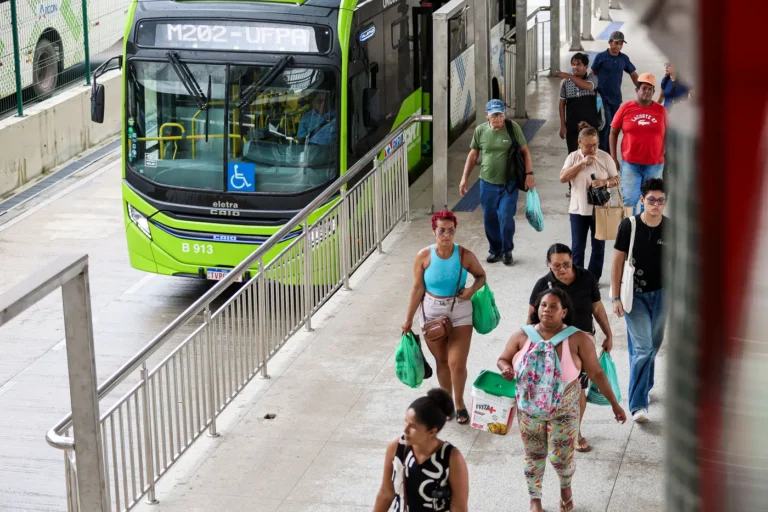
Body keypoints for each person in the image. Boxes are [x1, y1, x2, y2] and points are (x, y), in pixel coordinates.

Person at [499, 288, 626, 512]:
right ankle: (534, 499)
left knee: (561, 457)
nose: (547, 310)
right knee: (533, 455)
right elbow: (503, 359)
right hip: (529, 411)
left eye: (553, 306)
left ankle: (565, 488)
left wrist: (615, 405)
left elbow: (596, 373)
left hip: (564, 411)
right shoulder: (522, 335)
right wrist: (506, 369)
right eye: (543, 306)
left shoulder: (578, 339)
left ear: (564, 312)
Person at [527, 244, 614, 453]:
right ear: (548, 264)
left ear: (572, 259)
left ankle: (575, 431)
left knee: (578, 388)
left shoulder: (587, 279)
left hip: (582, 342)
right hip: (552, 344)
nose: (562, 269)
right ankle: (551, 427)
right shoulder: (543, 285)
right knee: (551, 388)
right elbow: (531, 317)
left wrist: (608, 334)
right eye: (556, 266)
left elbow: (597, 308)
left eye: (566, 264)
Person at [402, 210, 487, 424]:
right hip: (431, 311)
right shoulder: (424, 256)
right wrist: (408, 319)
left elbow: (481, 276)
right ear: (434, 231)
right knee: (441, 361)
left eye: (450, 231)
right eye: (442, 230)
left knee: (456, 362)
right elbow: (418, 288)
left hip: (459, 309)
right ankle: (446, 401)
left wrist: (471, 291)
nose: (446, 235)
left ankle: (459, 403)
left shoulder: (464, 255)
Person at [611, 178, 667, 423]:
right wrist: (614, 297)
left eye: (661, 200)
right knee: (643, 348)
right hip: (635, 296)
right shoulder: (629, 226)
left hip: (663, 295)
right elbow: (616, 263)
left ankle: (645, 382)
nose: (656, 205)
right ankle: (638, 405)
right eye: (651, 200)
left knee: (651, 346)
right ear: (642, 200)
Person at [459, 99, 536, 266]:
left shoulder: (512, 128)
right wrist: (464, 178)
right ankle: (496, 250)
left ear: (504, 115)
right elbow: (473, 156)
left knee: (506, 216)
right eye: (494, 115)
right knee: (490, 218)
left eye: (500, 115)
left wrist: (529, 174)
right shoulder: (480, 131)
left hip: (509, 183)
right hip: (487, 183)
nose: (497, 119)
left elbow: (525, 152)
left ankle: (507, 250)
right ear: (487, 115)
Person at [373, 388, 469, 511]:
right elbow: (386, 493)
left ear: (431, 431)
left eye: (413, 426)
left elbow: (459, 507)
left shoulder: (451, 458)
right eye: (405, 422)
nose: (405, 430)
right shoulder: (396, 448)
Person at [559, 122, 620, 281]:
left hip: (600, 209)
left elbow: (617, 179)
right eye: (588, 146)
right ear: (580, 143)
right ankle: (577, 278)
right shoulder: (573, 157)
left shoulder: (605, 157)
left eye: (595, 145)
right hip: (578, 209)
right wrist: (581, 163)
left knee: (598, 247)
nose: (592, 149)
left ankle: (593, 280)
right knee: (578, 248)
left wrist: (604, 182)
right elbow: (562, 178)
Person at [609, 73, 668, 214]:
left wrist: (666, 152)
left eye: (650, 89)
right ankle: (630, 229)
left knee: (650, 200)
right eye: (644, 88)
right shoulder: (626, 108)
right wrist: (613, 157)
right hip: (630, 164)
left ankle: (643, 231)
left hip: (654, 165)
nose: (647, 91)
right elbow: (613, 132)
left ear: (654, 92)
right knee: (630, 199)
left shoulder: (661, 111)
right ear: (637, 90)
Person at [590, 31, 640, 151]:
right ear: (610, 42)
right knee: (606, 123)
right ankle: (603, 151)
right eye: (616, 43)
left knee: (614, 126)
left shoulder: (623, 59)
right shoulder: (601, 57)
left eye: (621, 44)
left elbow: (633, 73)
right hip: (602, 97)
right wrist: (592, 91)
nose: (618, 46)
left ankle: (608, 151)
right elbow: (593, 73)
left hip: (616, 98)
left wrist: (640, 86)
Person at [557, 53, 601, 154]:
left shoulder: (592, 78)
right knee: (572, 154)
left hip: (591, 125)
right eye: (573, 64)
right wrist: (563, 125)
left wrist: (568, 76)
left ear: (586, 67)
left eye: (578, 65)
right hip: (572, 125)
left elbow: (588, 86)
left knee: (591, 153)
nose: (575, 67)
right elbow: (562, 103)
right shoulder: (566, 83)